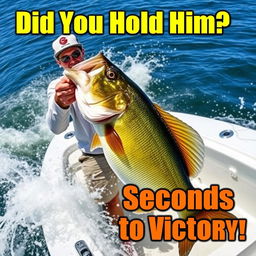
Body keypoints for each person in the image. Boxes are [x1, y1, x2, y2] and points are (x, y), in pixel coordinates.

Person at [46, 34, 124, 225]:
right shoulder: (58, 87)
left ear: (83, 52)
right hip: (95, 153)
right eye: (65, 58)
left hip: (125, 143)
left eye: (76, 53)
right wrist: (60, 103)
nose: (73, 60)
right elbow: (57, 128)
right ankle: (125, 241)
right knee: (109, 202)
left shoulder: (104, 72)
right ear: (59, 63)